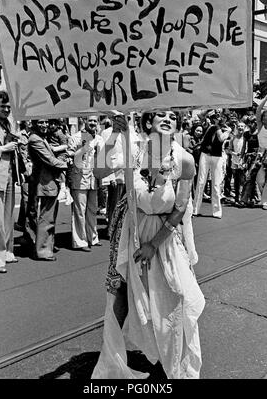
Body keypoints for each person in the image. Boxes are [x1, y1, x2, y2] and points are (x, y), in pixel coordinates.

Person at [91, 110, 205, 379]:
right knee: (121, 297)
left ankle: (172, 364)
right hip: (130, 234)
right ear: (147, 123)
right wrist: (116, 134)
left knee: (171, 299)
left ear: (178, 125)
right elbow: (99, 170)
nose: (167, 119)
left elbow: (179, 209)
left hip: (163, 238)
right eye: (160, 115)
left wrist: (154, 244)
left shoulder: (185, 160)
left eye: (172, 117)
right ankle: (112, 365)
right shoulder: (134, 151)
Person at [25, 119, 68, 261]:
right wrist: (67, 163)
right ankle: (43, 250)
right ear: (35, 123)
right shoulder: (35, 139)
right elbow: (49, 159)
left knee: (49, 217)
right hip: (45, 182)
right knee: (46, 218)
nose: (44, 125)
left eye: (46, 122)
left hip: (49, 181)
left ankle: (47, 246)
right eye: (41, 122)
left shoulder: (41, 137)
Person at [0, 91, 19, 273]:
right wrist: (3, 148)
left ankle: (7, 250)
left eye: (9, 107)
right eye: (3, 107)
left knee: (8, 217)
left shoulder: (8, 124)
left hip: (9, 174)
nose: (7, 110)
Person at [68, 115, 104, 252]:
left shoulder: (100, 139)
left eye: (95, 121)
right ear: (85, 121)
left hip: (94, 178)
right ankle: (80, 241)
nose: (93, 123)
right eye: (90, 120)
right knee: (79, 211)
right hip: (80, 176)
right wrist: (82, 149)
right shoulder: (76, 137)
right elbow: (69, 154)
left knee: (92, 209)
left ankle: (92, 237)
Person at [192, 113, 232, 218]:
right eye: (217, 117)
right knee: (201, 182)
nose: (219, 118)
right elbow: (201, 116)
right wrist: (210, 109)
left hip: (217, 157)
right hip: (205, 154)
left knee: (216, 184)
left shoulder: (226, 129)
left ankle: (217, 211)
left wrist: (227, 131)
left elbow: (221, 139)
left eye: (221, 117)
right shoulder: (209, 126)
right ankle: (195, 209)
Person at [47, 119, 72, 205]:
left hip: (61, 154)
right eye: (51, 124)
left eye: (54, 124)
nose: (52, 126)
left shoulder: (59, 133)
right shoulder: (49, 133)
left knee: (59, 167)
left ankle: (63, 187)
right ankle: (66, 192)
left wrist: (55, 148)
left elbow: (65, 145)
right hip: (54, 155)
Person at [255, 95, 267, 209]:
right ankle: (264, 198)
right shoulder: (260, 127)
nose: (266, 118)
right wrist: (266, 98)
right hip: (261, 154)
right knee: (260, 180)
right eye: (264, 116)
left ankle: (265, 201)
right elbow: (258, 110)